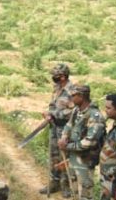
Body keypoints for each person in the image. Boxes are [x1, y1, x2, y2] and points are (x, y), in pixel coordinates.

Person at [59, 84, 105, 200]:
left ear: (81, 96)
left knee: (85, 193)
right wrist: (64, 137)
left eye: (73, 95)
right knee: (74, 190)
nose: (70, 98)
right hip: (73, 157)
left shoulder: (95, 116)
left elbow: (90, 142)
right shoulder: (76, 110)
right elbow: (69, 125)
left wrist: (67, 146)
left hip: (86, 160)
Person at [41, 63, 76, 197]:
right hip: (54, 126)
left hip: (66, 129)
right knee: (53, 155)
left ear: (63, 76)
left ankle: (65, 186)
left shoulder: (72, 91)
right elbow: (52, 104)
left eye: (55, 75)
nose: (53, 77)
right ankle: (54, 183)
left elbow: (72, 112)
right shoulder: (57, 88)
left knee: (64, 157)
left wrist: (54, 114)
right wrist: (49, 113)